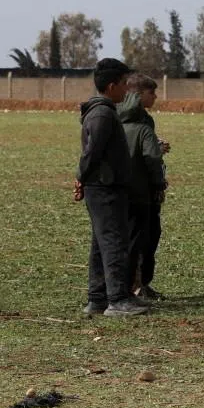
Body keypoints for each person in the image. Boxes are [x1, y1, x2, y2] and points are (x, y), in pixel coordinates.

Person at [75, 58, 150, 316]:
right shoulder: (103, 114)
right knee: (114, 243)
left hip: (106, 187)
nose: (127, 90)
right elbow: (91, 152)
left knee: (101, 243)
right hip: (105, 188)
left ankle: (97, 299)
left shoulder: (104, 112)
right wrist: (80, 177)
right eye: (123, 85)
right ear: (110, 86)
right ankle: (117, 300)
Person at [117, 73, 167, 301]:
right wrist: (159, 182)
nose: (155, 97)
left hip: (121, 188)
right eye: (151, 92)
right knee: (143, 238)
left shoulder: (117, 116)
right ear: (138, 95)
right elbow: (149, 157)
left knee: (134, 238)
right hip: (142, 189)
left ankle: (137, 285)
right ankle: (134, 287)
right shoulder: (141, 123)